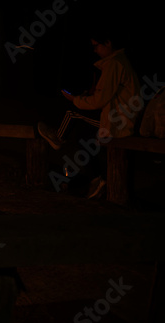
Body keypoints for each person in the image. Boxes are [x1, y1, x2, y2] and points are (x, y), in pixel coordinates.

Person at [38, 30, 142, 198]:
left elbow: (100, 99)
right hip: (120, 118)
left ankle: (58, 138)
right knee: (82, 136)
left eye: (96, 46)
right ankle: (91, 179)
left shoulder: (115, 64)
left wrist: (75, 99)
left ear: (107, 43)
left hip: (118, 121)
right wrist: (87, 96)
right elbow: (105, 96)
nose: (95, 50)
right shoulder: (119, 62)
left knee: (73, 113)